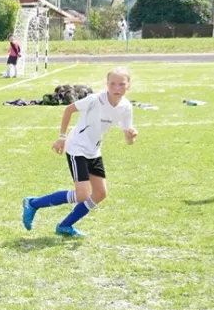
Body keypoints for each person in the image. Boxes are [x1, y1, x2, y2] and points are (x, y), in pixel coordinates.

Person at [21, 68, 137, 237]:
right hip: (77, 147)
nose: (116, 88)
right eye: (112, 83)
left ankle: (65, 225)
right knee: (82, 194)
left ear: (128, 86)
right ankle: (33, 203)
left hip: (94, 150)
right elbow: (69, 109)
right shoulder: (95, 100)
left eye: (121, 84)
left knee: (100, 193)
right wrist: (62, 137)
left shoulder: (126, 107)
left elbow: (128, 139)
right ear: (107, 84)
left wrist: (131, 136)